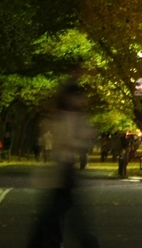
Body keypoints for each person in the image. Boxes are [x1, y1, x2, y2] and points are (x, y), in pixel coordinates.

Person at [25, 78, 99, 248]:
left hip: (66, 168)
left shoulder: (75, 117)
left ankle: (47, 242)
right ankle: (84, 242)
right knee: (62, 211)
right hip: (62, 168)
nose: (82, 100)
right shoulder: (61, 117)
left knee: (57, 210)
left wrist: (73, 143)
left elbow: (88, 139)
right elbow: (60, 139)